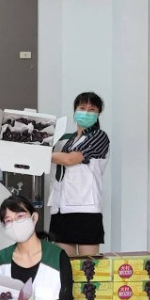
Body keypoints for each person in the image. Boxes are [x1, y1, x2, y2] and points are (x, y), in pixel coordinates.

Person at [48, 91, 110, 257]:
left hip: (85, 208)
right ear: (75, 111)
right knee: (64, 264)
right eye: (82, 108)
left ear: (98, 114)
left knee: (87, 263)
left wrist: (38, 154)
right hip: (60, 208)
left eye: (92, 109)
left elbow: (70, 159)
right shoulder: (64, 139)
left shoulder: (99, 137)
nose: (86, 112)